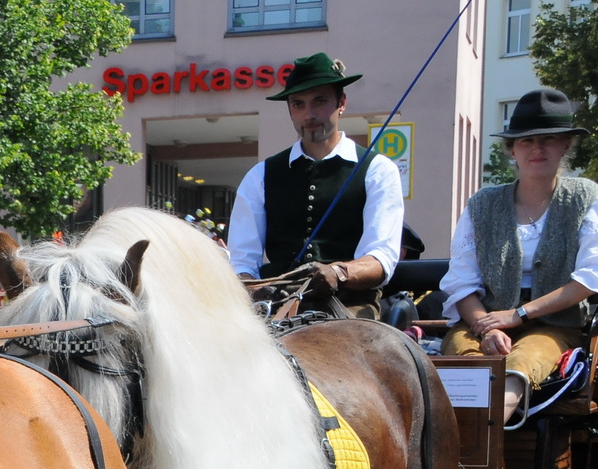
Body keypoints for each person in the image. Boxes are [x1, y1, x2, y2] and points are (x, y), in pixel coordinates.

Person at [440, 88, 598, 422]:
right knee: (468, 363)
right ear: (512, 149)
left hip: (556, 325)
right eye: (526, 141)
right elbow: (462, 283)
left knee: (521, 363)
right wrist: (486, 329)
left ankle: (473, 458)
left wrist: (519, 315)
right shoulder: (482, 204)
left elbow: (588, 279)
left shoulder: (587, 197)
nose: (537, 148)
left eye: (548, 139)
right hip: (482, 320)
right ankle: (465, 465)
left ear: (566, 144)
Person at [226, 53, 404, 318]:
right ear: (290, 110)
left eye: (320, 101)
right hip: (275, 306)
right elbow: (242, 261)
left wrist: (338, 273)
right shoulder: (259, 176)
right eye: (298, 104)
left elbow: (381, 258)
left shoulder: (378, 171)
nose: (309, 114)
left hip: (350, 307)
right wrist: (255, 291)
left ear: (341, 103)